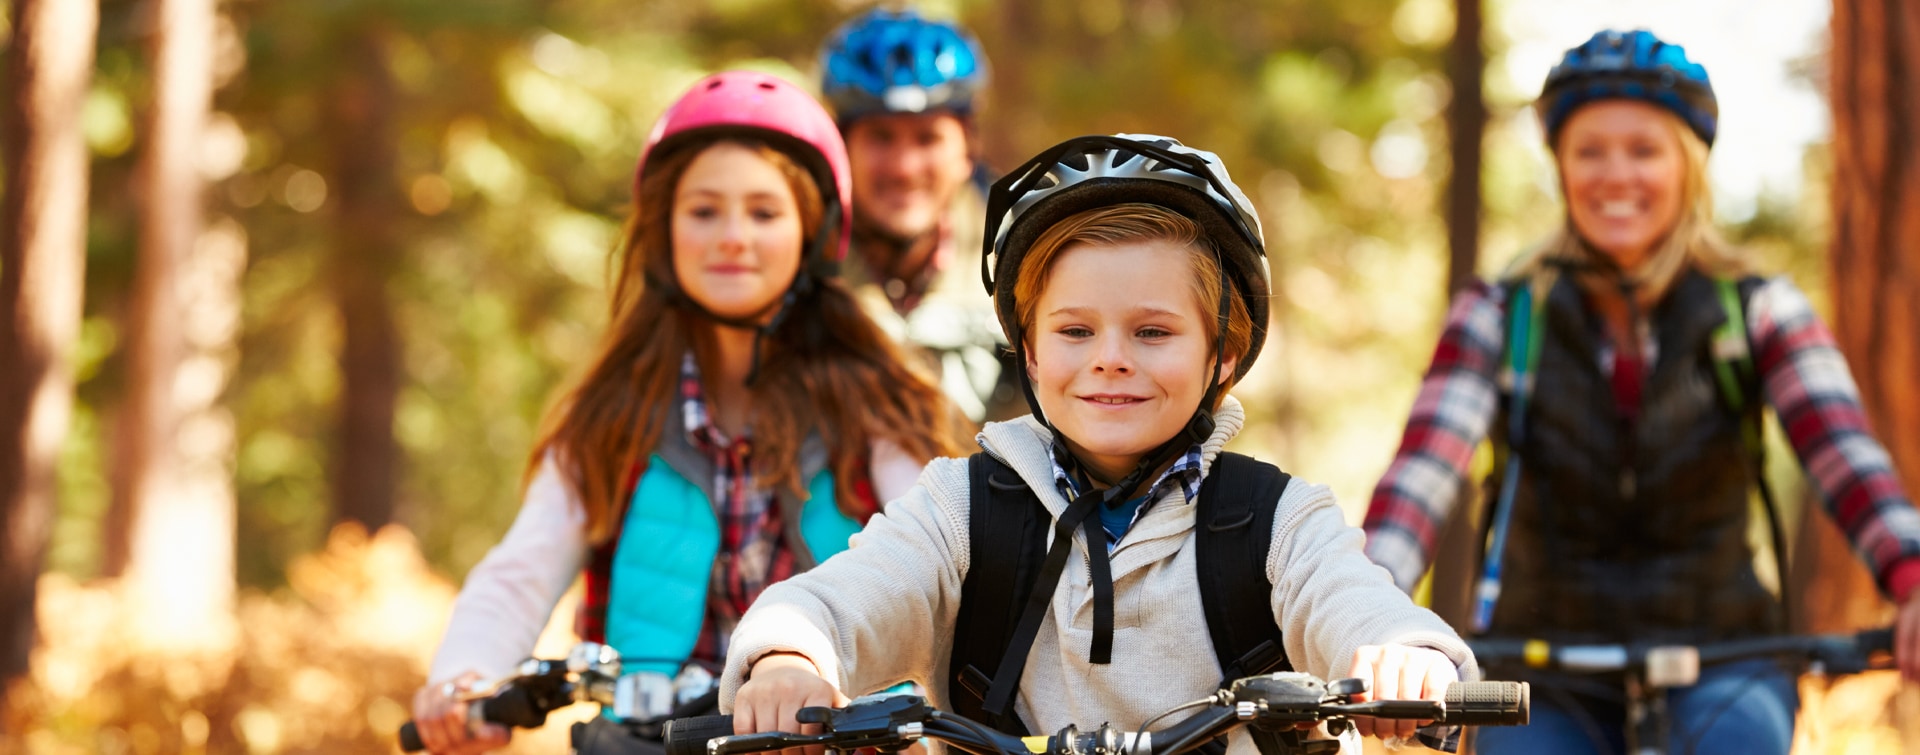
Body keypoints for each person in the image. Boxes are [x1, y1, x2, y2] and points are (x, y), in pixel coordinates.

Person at [720, 133, 1480, 754]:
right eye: (1075, 331)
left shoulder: (1277, 518)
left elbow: (1355, 600)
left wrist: (1406, 653)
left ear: (1222, 354)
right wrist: (792, 656)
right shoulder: (959, 508)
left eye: (1153, 332)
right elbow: (846, 596)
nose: (1110, 357)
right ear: (1031, 353)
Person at [1360, 29, 1920, 755]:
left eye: (1644, 150)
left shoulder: (1757, 309)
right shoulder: (1501, 313)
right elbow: (1421, 478)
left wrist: (1911, 576)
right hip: (1537, 663)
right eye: (1589, 150)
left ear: (1688, 167)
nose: (1614, 174)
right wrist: (1367, 610)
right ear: (1561, 167)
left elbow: (1846, 458)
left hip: (1724, 654)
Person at [408, 70, 967, 754]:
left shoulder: (876, 400)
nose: (733, 236)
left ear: (812, 234)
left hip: (831, 740)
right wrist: (467, 677)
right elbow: (522, 568)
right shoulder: (612, 413)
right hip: (651, 738)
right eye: (704, 211)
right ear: (664, 229)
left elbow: (935, 562)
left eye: (764, 213)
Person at [819, 7, 1019, 422]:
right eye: (880, 137)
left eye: (927, 138)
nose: (904, 167)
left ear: (968, 149)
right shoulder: (793, 266)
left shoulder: (1025, 266)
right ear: (841, 147)